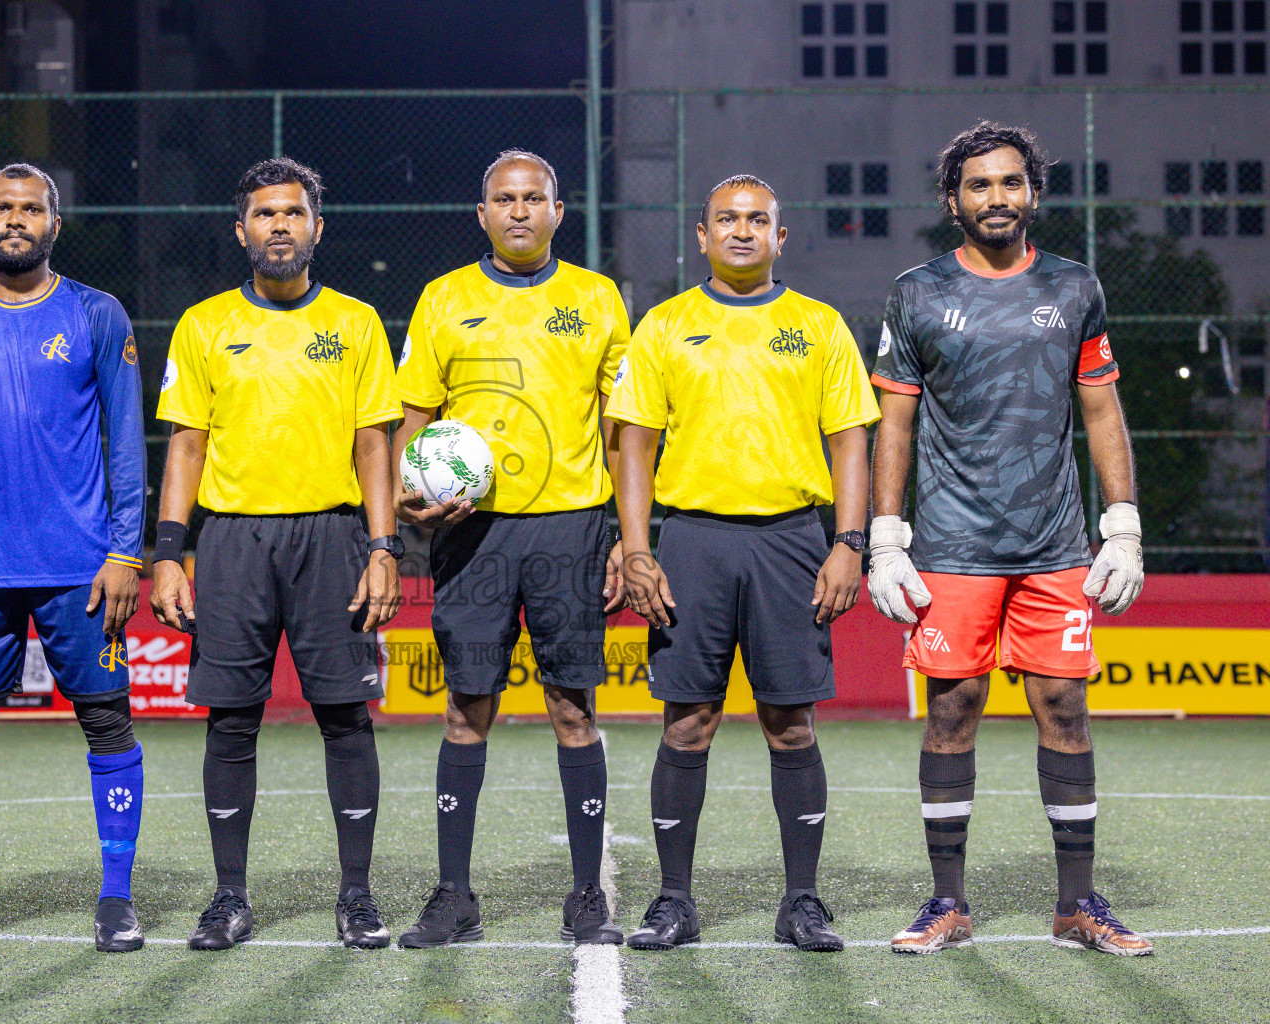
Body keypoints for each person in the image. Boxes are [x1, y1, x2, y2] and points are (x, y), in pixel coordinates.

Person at [869, 122, 1151, 956]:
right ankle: (946, 904)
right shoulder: (916, 292)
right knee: (952, 709)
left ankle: (1077, 907)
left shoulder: (1075, 288)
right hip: (954, 546)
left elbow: (1100, 408)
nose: (998, 198)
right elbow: (895, 419)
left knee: (1064, 707)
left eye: (1012, 183)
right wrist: (888, 536)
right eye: (980, 185)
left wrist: (1122, 526)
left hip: (1056, 545)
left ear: (1034, 193)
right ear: (952, 200)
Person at [606, 175, 878, 952]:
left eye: (759, 219)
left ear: (780, 237)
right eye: (727, 219)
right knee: (688, 723)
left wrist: (848, 541)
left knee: (791, 724)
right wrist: (635, 548)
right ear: (702, 236)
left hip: (793, 541)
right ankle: (674, 902)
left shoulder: (818, 326)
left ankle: (801, 902)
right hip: (691, 539)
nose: (742, 230)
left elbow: (849, 440)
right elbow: (635, 445)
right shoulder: (664, 326)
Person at [149, 157, 403, 951]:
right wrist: (166, 553)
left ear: (317, 228)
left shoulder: (357, 323)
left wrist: (385, 547)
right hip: (230, 541)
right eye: (264, 214)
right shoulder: (203, 325)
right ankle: (229, 898)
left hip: (332, 537)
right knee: (231, 720)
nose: (280, 226)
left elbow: (375, 445)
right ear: (242, 231)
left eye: (294, 213)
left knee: (344, 718)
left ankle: (356, 895)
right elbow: (185, 446)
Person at [0, 163, 148, 954]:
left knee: (106, 721)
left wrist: (125, 552)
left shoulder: (97, 314)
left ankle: (116, 900)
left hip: (81, 566)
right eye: (3, 208)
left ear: (55, 223)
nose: (17, 220)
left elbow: (126, 444)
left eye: (33, 208)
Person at [392, 150, 630, 948]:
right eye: (505, 198)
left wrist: (627, 537)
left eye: (535, 198)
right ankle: (454, 896)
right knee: (467, 707)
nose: (521, 210)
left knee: (573, 705)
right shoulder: (443, 298)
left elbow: (620, 429)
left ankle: (586, 896)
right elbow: (416, 417)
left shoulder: (597, 300)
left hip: (571, 523)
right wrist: (410, 498)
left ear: (559, 212)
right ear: (483, 213)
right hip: (471, 530)